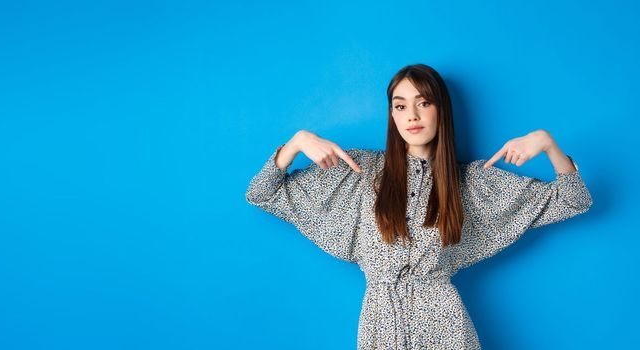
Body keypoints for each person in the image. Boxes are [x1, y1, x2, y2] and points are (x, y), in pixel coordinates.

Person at [244, 63, 593, 350]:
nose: (411, 114)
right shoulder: (361, 173)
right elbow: (262, 193)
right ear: (392, 116)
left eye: (423, 102)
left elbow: (574, 200)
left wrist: (548, 144)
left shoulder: (471, 184)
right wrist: (296, 142)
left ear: (441, 109)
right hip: (379, 327)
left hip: (446, 329)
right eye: (400, 105)